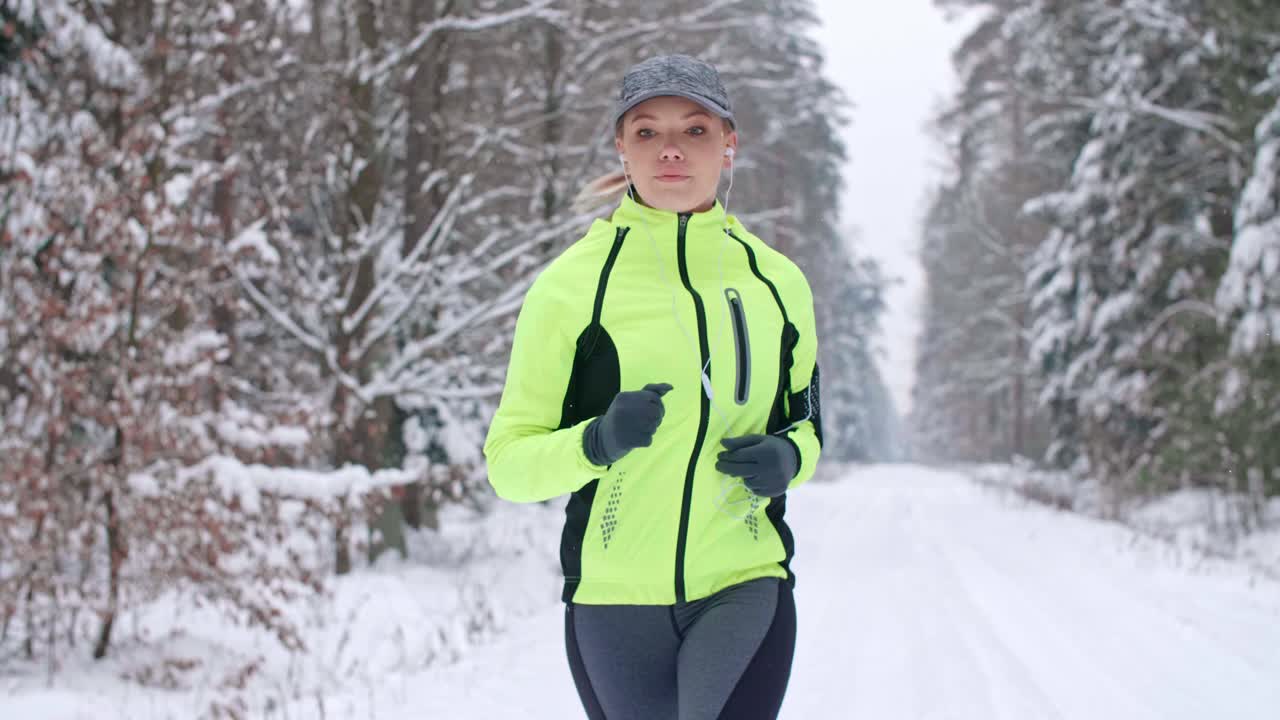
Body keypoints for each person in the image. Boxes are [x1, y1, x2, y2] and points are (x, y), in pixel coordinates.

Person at [483, 54, 823, 720]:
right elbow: (509, 466)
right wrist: (597, 441)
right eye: (647, 132)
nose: (670, 149)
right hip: (613, 603)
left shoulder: (777, 284)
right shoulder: (572, 286)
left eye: (694, 130)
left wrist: (789, 459)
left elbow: (806, 424)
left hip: (744, 582)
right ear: (621, 146)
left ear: (729, 145)